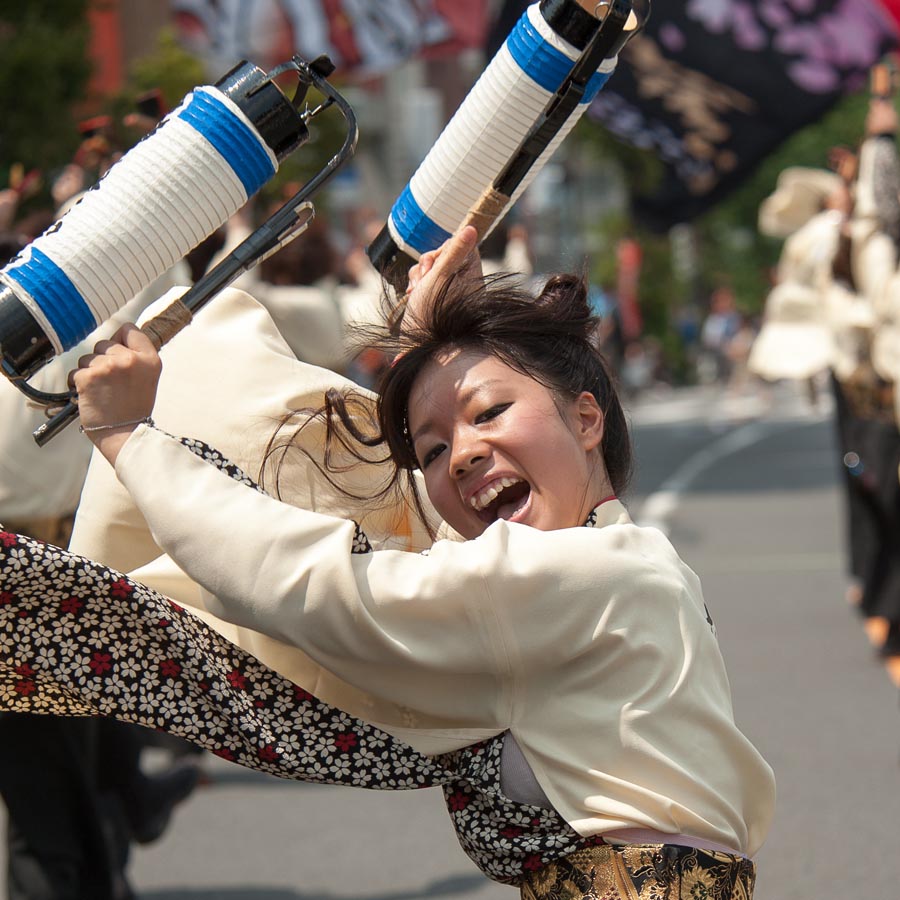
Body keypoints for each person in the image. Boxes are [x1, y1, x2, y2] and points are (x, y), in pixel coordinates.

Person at [0, 227, 774, 898]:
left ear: (587, 414)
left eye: (491, 412)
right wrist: (439, 340)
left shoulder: (584, 578)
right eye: (434, 448)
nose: (463, 455)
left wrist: (132, 441)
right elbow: (441, 548)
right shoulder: (625, 565)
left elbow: (324, 584)